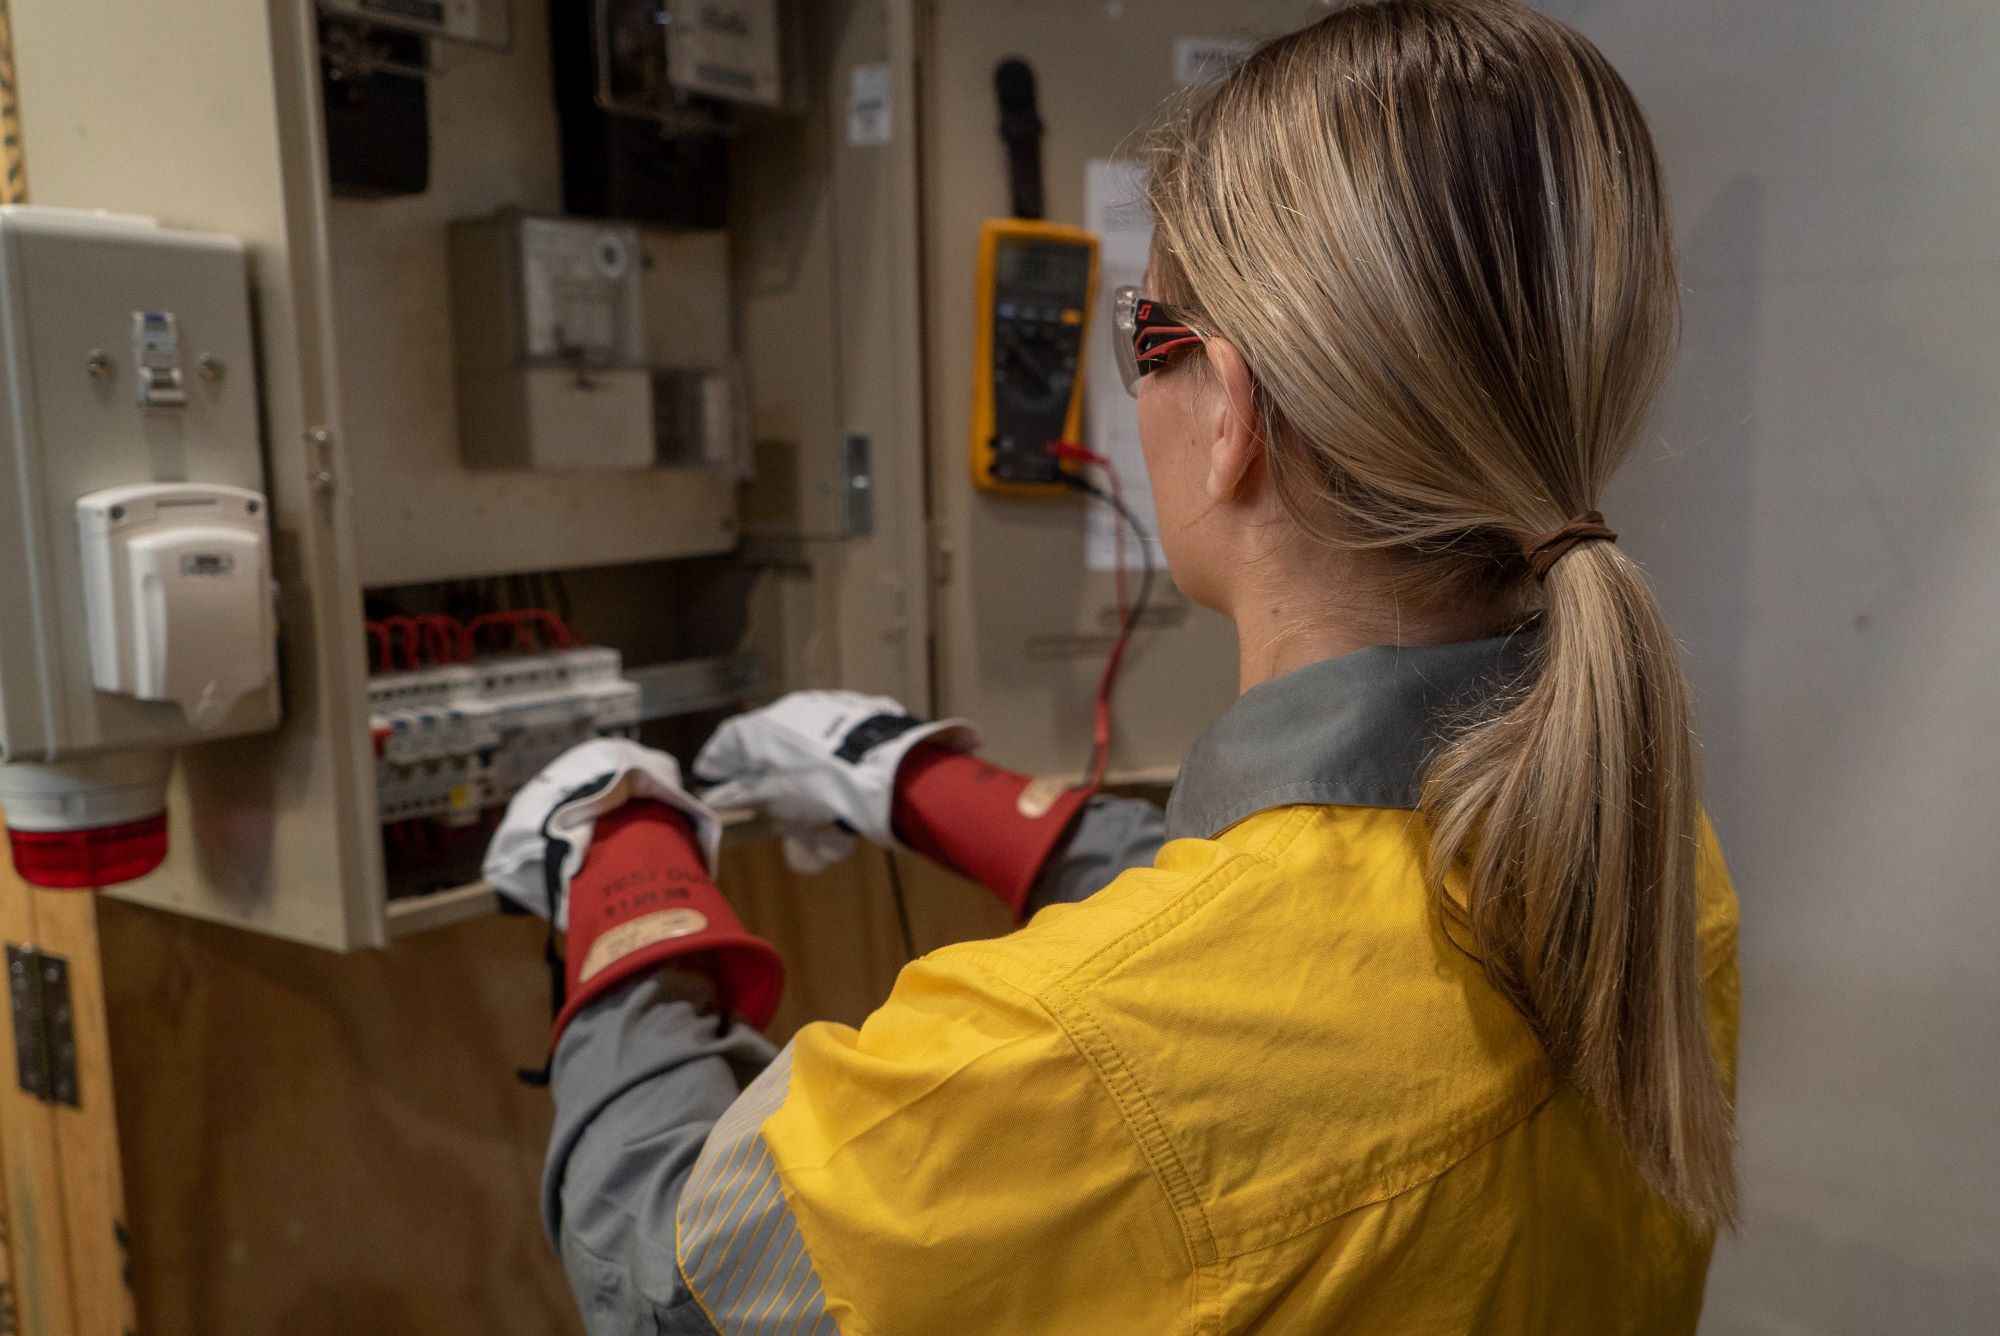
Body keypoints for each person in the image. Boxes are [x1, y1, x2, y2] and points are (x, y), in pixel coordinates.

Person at [483, 2, 1741, 1331]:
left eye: (1147, 331)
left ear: (1232, 415)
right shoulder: (1645, 855)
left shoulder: (1088, 1057)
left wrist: (615, 862)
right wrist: (929, 787)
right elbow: (1314, 951)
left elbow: (662, 1262)